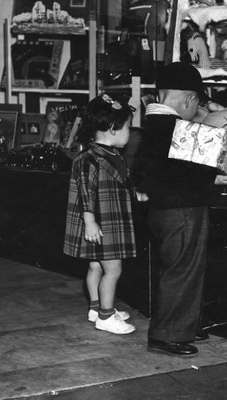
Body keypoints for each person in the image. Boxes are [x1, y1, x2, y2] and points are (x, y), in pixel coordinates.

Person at [133, 62, 227, 356]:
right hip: (183, 209)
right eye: (196, 104)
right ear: (189, 100)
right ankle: (168, 334)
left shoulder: (152, 125)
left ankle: (182, 326)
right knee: (183, 269)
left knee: (178, 267)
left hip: (163, 209)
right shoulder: (180, 128)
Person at [63, 93, 137, 335]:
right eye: (128, 127)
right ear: (114, 129)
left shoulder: (112, 155)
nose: (130, 132)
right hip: (101, 221)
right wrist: (89, 220)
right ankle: (105, 316)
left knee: (96, 266)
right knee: (113, 270)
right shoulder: (89, 158)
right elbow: (86, 191)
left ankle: (96, 308)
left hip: (107, 219)